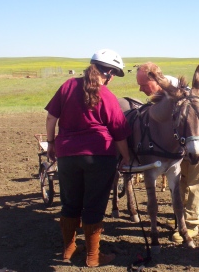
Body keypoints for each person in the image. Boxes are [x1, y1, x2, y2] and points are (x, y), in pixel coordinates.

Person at [45, 49, 131, 268]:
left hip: (67, 155)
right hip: (99, 157)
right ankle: (93, 257)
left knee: (70, 202)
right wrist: (127, 158)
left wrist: (52, 143)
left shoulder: (67, 86)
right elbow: (119, 132)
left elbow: (51, 118)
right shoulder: (108, 96)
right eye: (113, 75)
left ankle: (68, 249)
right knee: (93, 205)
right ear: (109, 73)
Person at [136, 62, 199, 242]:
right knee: (180, 182)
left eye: (143, 85)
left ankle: (191, 224)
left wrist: (198, 149)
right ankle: (179, 221)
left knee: (195, 182)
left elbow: (197, 122)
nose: (140, 89)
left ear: (155, 80)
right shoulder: (163, 94)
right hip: (181, 143)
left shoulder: (180, 93)